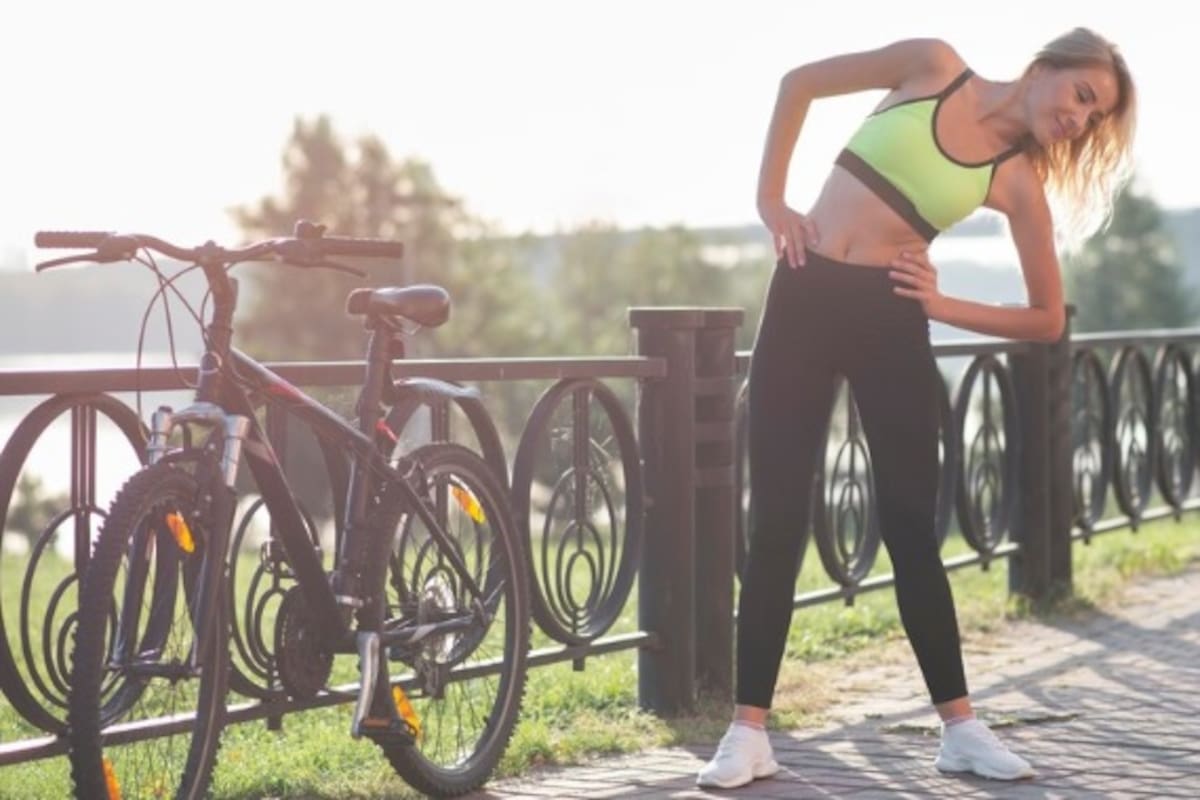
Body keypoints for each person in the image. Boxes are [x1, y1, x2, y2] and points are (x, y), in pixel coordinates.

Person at [697, 28, 1136, 789]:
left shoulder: (1015, 182)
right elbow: (798, 81)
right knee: (775, 521)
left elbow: (1048, 318)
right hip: (802, 293)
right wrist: (772, 199)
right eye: (1083, 96)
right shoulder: (930, 64)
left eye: (1094, 118)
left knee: (908, 525)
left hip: (891, 320)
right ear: (1045, 68)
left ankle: (961, 730)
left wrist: (942, 303)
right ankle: (747, 732)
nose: (1080, 120)